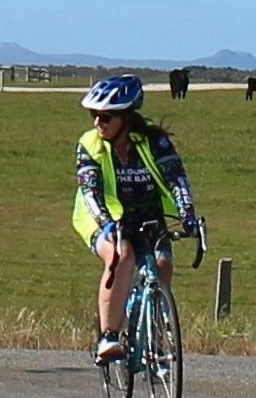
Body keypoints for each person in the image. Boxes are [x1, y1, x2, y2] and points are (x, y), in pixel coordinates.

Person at [69, 75, 204, 365]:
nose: (97, 123)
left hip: (149, 217)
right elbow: (89, 191)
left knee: (163, 265)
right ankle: (108, 337)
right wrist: (106, 223)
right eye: (94, 116)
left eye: (105, 117)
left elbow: (177, 178)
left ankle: (154, 339)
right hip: (102, 218)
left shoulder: (155, 142)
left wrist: (188, 215)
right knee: (123, 256)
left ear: (126, 118)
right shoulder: (89, 145)